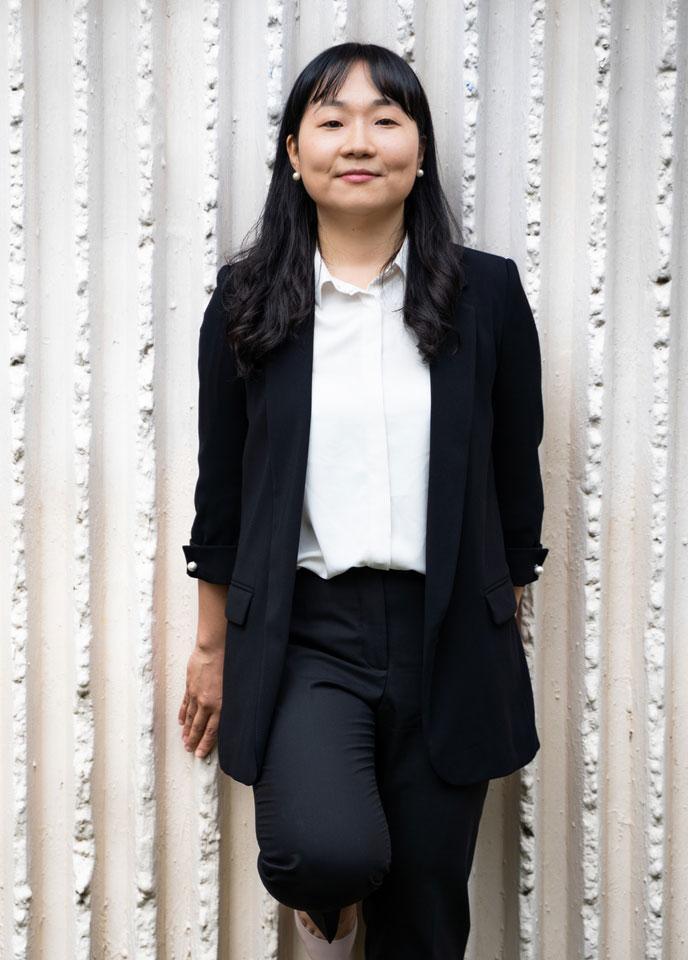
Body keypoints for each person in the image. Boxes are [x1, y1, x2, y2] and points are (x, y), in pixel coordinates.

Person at [178, 42, 549, 960]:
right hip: (310, 636)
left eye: (386, 119)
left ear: (419, 153)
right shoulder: (249, 299)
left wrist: (497, 609)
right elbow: (222, 497)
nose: (359, 141)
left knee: (425, 919)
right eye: (332, 121)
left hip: (449, 627)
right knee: (325, 853)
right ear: (295, 156)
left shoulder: (486, 294)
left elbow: (516, 478)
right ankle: (339, 895)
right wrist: (211, 649)